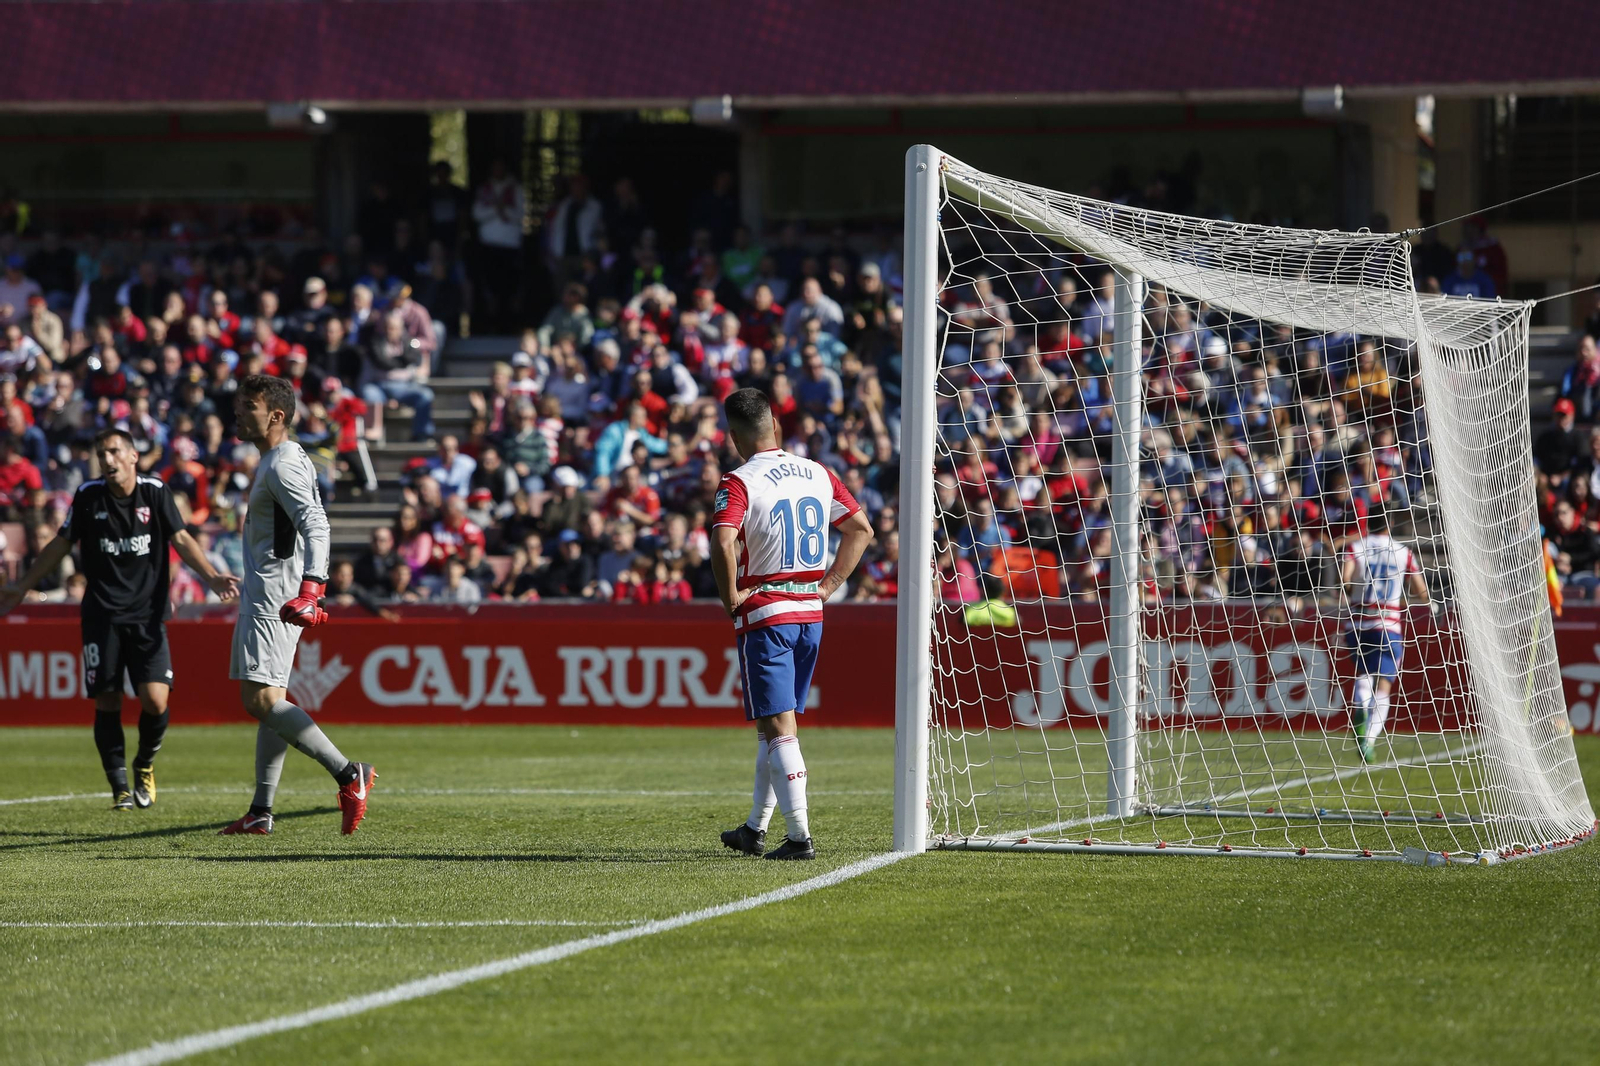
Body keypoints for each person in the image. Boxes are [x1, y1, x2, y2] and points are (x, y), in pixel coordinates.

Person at [0, 428, 239, 809]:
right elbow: (61, 543)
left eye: (113, 451)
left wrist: (211, 577)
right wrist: (24, 584)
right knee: (107, 700)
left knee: (155, 701)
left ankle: (144, 764)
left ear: (131, 456)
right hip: (102, 615)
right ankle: (119, 787)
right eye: (101, 453)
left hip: (147, 616)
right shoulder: (88, 495)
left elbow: (180, 539)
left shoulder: (155, 492)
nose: (107, 459)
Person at [711, 388, 873, 861]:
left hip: (767, 612)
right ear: (775, 426)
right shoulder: (818, 472)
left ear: (736, 436)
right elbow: (861, 529)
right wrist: (830, 583)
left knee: (780, 727)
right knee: (773, 722)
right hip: (810, 611)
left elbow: (723, 542)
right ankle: (754, 829)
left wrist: (729, 599)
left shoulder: (739, 480)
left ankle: (800, 838)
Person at [219, 375, 376, 836]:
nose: (238, 413)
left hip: (273, 596)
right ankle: (261, 811)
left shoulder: (281, 463)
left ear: (276, 415)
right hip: (274, 592)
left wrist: (313, 589)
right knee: (273, 698)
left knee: (261, 699)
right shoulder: (282, 458)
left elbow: (317, 525)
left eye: (248, 406)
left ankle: (350, 774)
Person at [1340, 507, 1433, 764]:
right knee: (1384, 683)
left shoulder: (1356, 546)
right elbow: (1420, 591)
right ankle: (1368, 739)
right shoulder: (1404, 552)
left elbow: (1344, 579)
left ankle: (1359, 707)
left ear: (1367, 521)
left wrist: (1356, 591)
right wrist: (1428, 602)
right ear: (1390, 523)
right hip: (1389, 625)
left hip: (1358, 623)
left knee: (1364, 674)